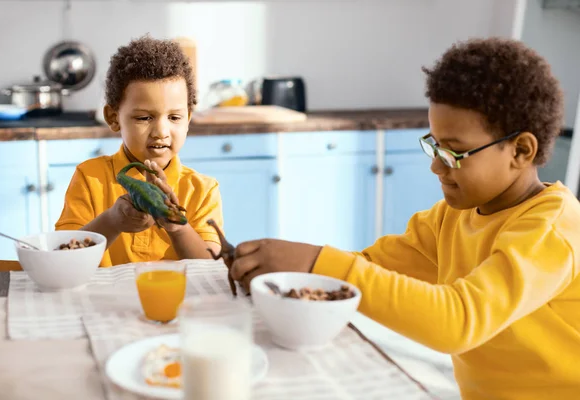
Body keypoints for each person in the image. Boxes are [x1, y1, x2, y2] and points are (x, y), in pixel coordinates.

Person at [230, 37, 580, 399]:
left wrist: (316, 261)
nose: (435, 166)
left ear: (521, 150)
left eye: (455, 153)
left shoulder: (551, 230)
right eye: (434, 146)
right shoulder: (448, 219)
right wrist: (296, 269)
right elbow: (367, 268)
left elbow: (457, 321)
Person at [55, 36, 223, 267]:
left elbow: (212, 266)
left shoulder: (202, 190)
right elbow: (63, 259)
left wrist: (175, 224)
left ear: (188, 119)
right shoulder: (89, 177)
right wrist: (112, 221)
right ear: (113, 118)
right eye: (144, 118)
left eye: (174, 117)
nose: (161, 131)